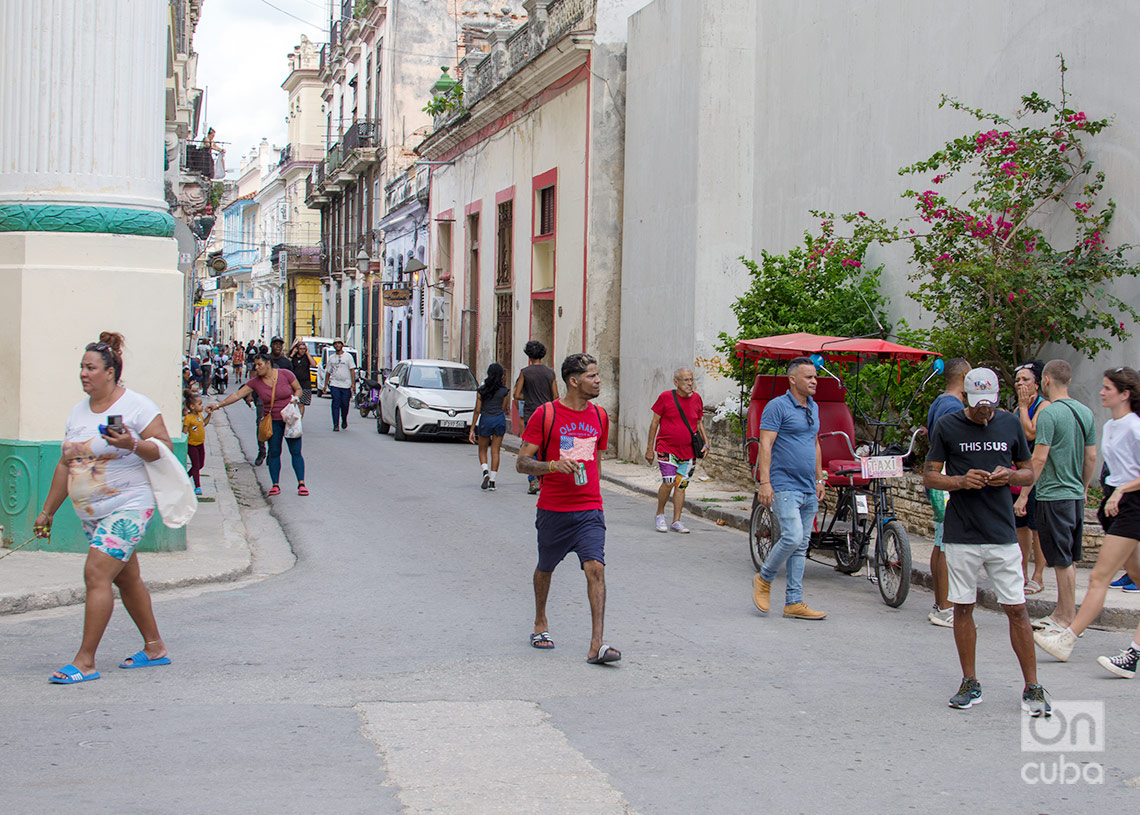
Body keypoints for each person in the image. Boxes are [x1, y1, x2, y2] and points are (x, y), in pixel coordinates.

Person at [33, 331, 173, 684]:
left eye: (91, 367)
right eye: (81, 367)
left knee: (96, 574)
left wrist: (133, 443)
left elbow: (164, 448)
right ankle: (155, 648)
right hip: (91, 514)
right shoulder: (77, 413)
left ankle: (85, 662)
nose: (83, 373)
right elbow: (66, 464)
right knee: (127, 578)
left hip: (128, 506)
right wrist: (47, 511)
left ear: (110, 372)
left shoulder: (137, 406)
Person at [923, 367, 1050, 715]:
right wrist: (961, 482)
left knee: (1017, 609)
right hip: (962, 532)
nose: (984, 412)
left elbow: (1028, 471)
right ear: (965, 397)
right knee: (963, 607)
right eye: (978, 405)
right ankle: (970, 682)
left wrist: (1010, 476)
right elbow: (930, 476)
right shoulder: (948, 426)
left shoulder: (1009, 424)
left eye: (990, 404)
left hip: (1001, 532)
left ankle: (1033, 687)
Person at [1034, 366, 1140, 678]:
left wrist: (1122, 489)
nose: (1102, 392)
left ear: (1125, 394)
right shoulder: (1110, 425)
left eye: (1108, 388)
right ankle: (1134, 653)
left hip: (1131, 504)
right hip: (1115, 502)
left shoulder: (1134, 426)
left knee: (1099, 577)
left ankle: (1067, 638)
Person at [515, 353, 619, 664]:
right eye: (591, 376)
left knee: (596, 568)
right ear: (573, 381)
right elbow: (521, 463)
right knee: (545, 568)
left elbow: (595, 462)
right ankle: (540, 622)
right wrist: (551, 466)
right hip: (553, 509)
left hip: (589, 509)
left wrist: (596, 497)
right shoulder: (546, 415)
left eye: (597, 375)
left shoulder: (600, 417)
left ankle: (597, 644)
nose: (598, 380)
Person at [751, 356, 827, 621]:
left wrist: (819, 479)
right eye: (809, 377)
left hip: (808, 486)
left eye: (815, 376)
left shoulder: (813, 407)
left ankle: (794, 601)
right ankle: (764, 577)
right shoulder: (777, 406)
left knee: (802, 544)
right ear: (793, 380)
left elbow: (814, 443)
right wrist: (765, 482)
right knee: (793, 537)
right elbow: (766, 445)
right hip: (784, 484)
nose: (815, 381)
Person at [1025, 360, 1096, 635]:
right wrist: (1084, 486)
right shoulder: (1085, 412)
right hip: (1075, 495)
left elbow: (1039, 459)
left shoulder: (1049, 414)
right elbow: (1090, 456)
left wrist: (1024, 496)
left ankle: (1066, 616)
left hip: (1053, 495)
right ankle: (1061, 611)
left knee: (1061, 559)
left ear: (1045, 381)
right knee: (1068, 558)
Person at [210, 353, 308, 496]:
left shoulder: (285, 374)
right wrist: (219, 405)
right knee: (274, 452)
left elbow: (298, 388)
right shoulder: (255, 382)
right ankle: (275, 484)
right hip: (272, 421)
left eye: (259, 365)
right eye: (255, 365)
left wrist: (295, 398)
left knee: (296, 451)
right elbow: (238, 395)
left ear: (268, 364)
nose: (256, 368)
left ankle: (301, 483)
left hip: (289, 419)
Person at [925, 358, 969, 627]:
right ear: (964, 376)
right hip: (946, 481)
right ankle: (944, 606)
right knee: (945, 543)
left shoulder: (940, 402)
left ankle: (940, 602)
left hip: (941, 479)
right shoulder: (952, 406)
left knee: (940, 540)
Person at [644, 367, 708, 533]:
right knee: (669, 481)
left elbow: (699, 422)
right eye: (686, 380)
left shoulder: (697, 399)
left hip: (688, 451)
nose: (690, 383)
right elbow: (654, 423)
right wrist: (650, 448)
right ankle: (660, 514)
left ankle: (677, 520)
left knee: (681, 485)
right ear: (676, 382)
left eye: (691, 380)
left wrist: (706, 443)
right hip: (666, 448)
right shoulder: (665, 397)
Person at [1013, 360, 1050, 595]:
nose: (1020, 384)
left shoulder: (1043, 407)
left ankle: (1038, 575)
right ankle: (1022, 571)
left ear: (1037, 384)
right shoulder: (1019, 408)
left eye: (1026, 380)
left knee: (1037, 528)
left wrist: (1024, 407)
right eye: (1017, 380)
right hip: (1020, 472)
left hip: (1039, 475)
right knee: (1021, 526)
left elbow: (1030, 432)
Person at [514, 340, 559, 495]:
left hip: (531, 414)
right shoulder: (550, 372)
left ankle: (533, 480)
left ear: (528, 355)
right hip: (548, 415)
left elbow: (516, 394)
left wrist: (527, 396)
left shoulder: (525, 372)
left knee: (531, 449)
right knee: (545, 448)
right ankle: (546, 480)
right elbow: (556, 396)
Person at [469, 362, 511, 490]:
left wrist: (471, 429)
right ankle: (492, 481)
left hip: (485, 420)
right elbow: (503, 408)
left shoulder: (482, 390)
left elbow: (477, 410)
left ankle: (485, 471)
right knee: (495, 451)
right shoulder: (504, 391)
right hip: (499, 419)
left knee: (482, 449)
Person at [183, 389, 210, 496]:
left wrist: (209, 415)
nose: (202, 406)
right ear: (192, 406)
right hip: (192, 445)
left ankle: (184, 477)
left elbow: (204, 424)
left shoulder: (199, 415)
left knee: (200, 465)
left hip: (200, 444)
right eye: (199, 404)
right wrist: (184, 443)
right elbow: (184, 431)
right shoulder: (188, 418)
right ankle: (197, 487)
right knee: (195, 465)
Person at [326, 337, 355, 431]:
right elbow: (328, 371)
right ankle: (335, 424)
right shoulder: (331, 358)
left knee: (345, 404)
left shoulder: (348, 357)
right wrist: (325, 384)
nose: (337, 345)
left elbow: (352, 370)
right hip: (335, 383)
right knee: (335, 402)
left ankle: (344, 419)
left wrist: (353, 384)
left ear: (342, 345)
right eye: (335, 344)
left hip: (346, 384)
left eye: (339, 343)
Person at [289, 339, 318, 417]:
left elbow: (314, 365)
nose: (302, 351)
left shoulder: (306, 357)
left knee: (301, 403)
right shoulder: (293, 357)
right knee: (293, 401)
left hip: (305, 383)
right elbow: (287, 364)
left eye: (304, 349)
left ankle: (300, 419)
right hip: (294, 382)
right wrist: (292, 354)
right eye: (300, 349)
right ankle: (293, 417)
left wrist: (308, 354)